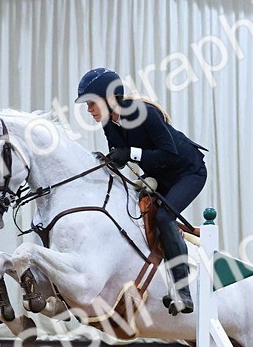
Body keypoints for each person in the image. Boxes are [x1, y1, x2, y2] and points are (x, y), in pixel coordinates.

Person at [75, 67, 207, 313]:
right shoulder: (108, 122)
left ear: (109, 98)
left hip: (187, 171)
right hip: (159, 174)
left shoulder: (144, 113)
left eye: (92, 103)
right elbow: (121, 157)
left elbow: (169, 153)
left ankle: (183, 290)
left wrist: (131, 154)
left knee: (165, 216)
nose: (89, 110)